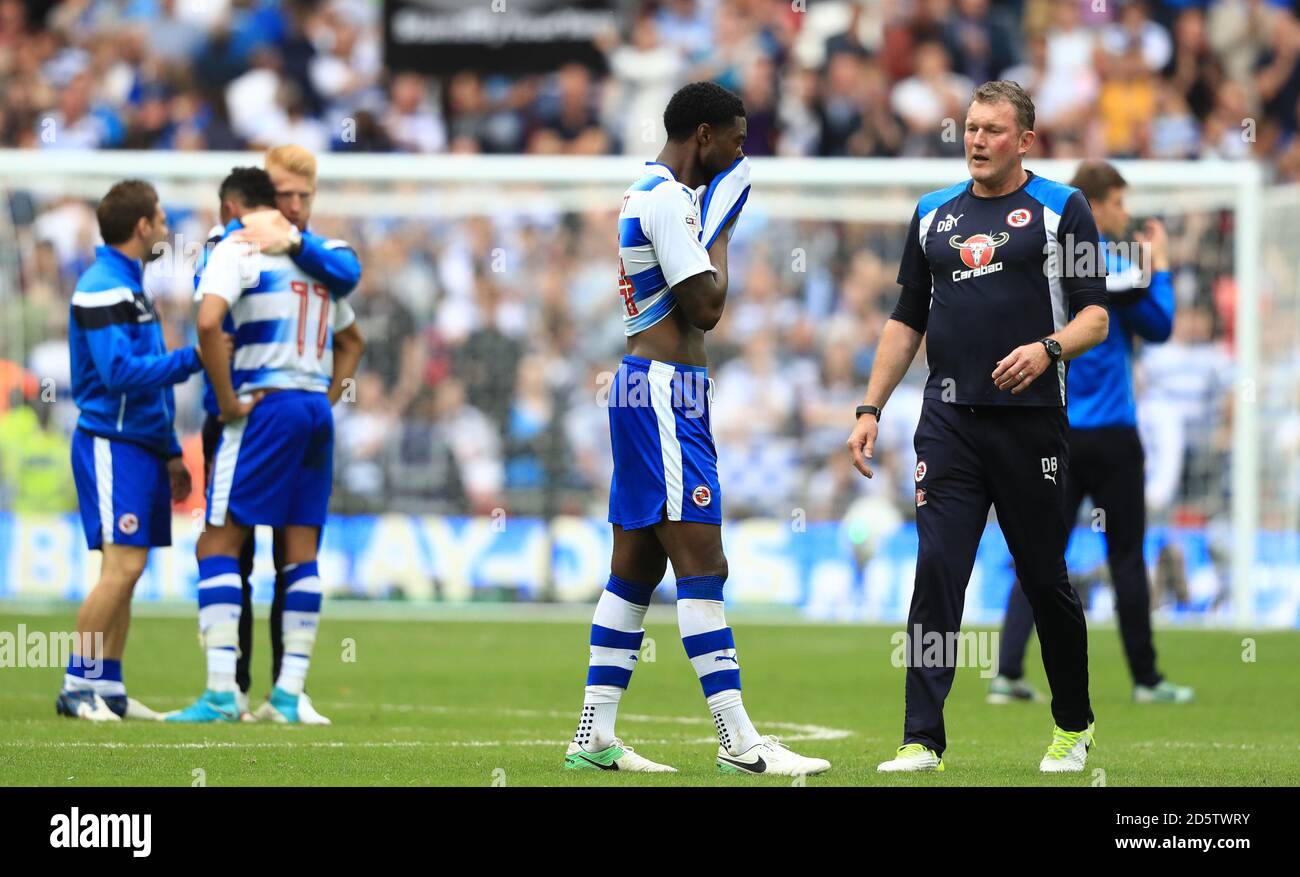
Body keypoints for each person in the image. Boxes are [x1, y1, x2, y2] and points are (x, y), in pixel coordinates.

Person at [562, 81, 830, 777]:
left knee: (636, 568)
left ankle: (594, 732)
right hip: (661, 392)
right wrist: (727, 226)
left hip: (646, 387)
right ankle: (739, 739)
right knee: (704, 564)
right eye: (736, 138)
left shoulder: (646, 192)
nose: (741, 152)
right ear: (703, 136)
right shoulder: (668, 201)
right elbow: (707, 306)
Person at [846, 80, 1109, 773]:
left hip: (1031, 426)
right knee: (937, 570)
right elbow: (907, 320)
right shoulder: (933, 215)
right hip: (948, 423)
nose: (977, 140)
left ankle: (1073, 722)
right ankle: (920, 738)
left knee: (1044, 576)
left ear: (1025, 140)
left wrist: (1047, 347)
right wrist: (870, 407)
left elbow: (1096, 316)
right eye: (970, 128)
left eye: (993, 129)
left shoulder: (1062, 209)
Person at [989, 160, 1193, 706]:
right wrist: (1164, 267)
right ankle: (1147, 680)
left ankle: (1008, 671)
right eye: (1119, 204)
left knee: (1040, 553)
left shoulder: (1048, 264)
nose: (1124, 215)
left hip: (1055, 435)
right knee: (1126, 555)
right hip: (1112, 436)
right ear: (1095, 204)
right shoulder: (1115, 268)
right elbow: (1162, 325)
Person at [167, 167, 345, 724]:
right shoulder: (319, 260)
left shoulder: (234, 246)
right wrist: (329, 394)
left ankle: (223, 693)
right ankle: (288, 696)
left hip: (263, 407)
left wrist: (223, 401)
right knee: (300, 553)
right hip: (314, 409)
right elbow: (354, 336)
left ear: (231, 207)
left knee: (216, 543)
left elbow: (208, 322)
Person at [58, 180, 206, 721]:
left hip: (141, 447)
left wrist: (169, 451)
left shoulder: (131, 287)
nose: (166, 229)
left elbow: (147, 386)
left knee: (131, 567)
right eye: (162, 219)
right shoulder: (101, 286)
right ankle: (77, 685)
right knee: (119, 568)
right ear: (143, 226)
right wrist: (195, 359)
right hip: (110, 443)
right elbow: (117, 374)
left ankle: (109, 688)